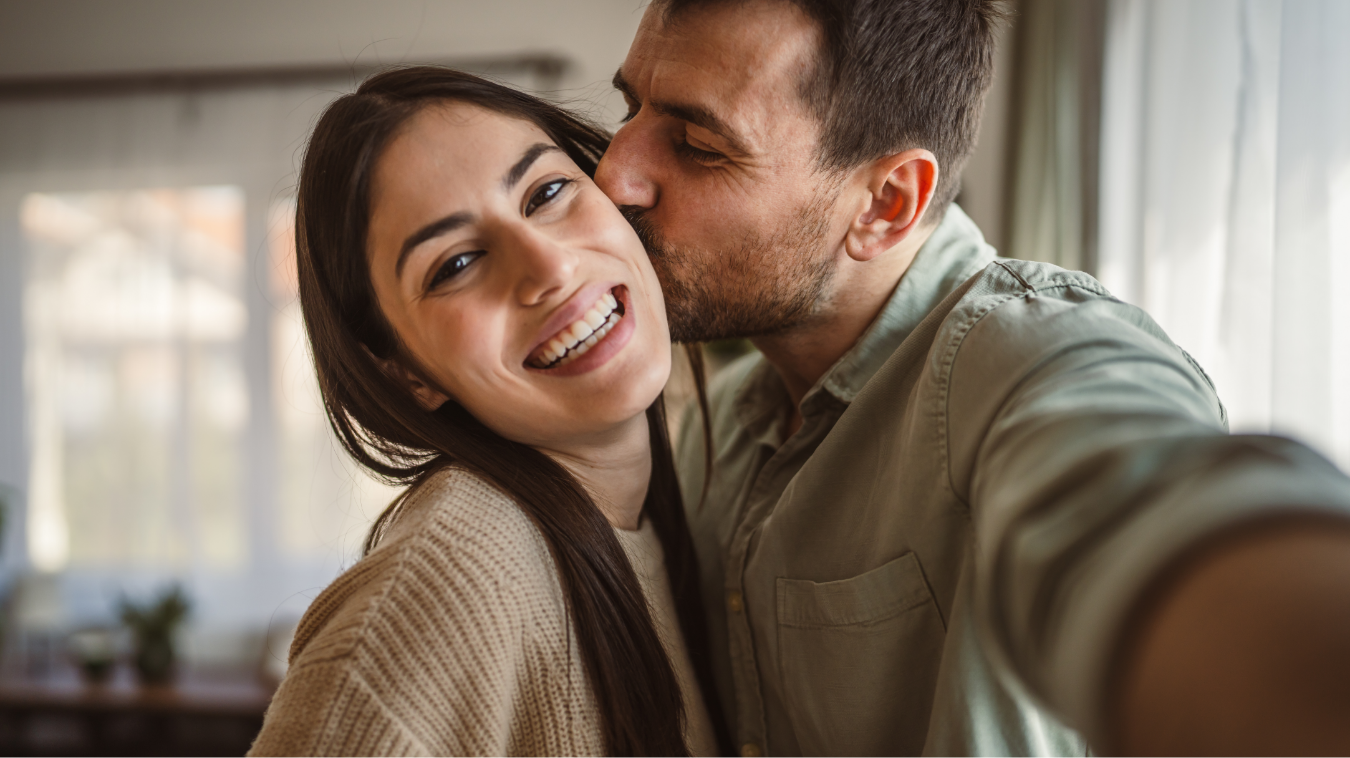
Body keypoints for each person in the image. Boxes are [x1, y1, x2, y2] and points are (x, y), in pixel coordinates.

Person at [593, 1, 1350, 757]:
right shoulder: (716, 422)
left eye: (697, 144)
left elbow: (1140, 507)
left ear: (887, 205)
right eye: (631, 108)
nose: (613, 174)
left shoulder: (1025, 359)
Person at [247, 67, 730, 758]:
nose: (548, 267)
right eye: (456, 264)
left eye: (548, 192)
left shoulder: (666, 511)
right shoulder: (446, 582)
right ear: (405, 372)